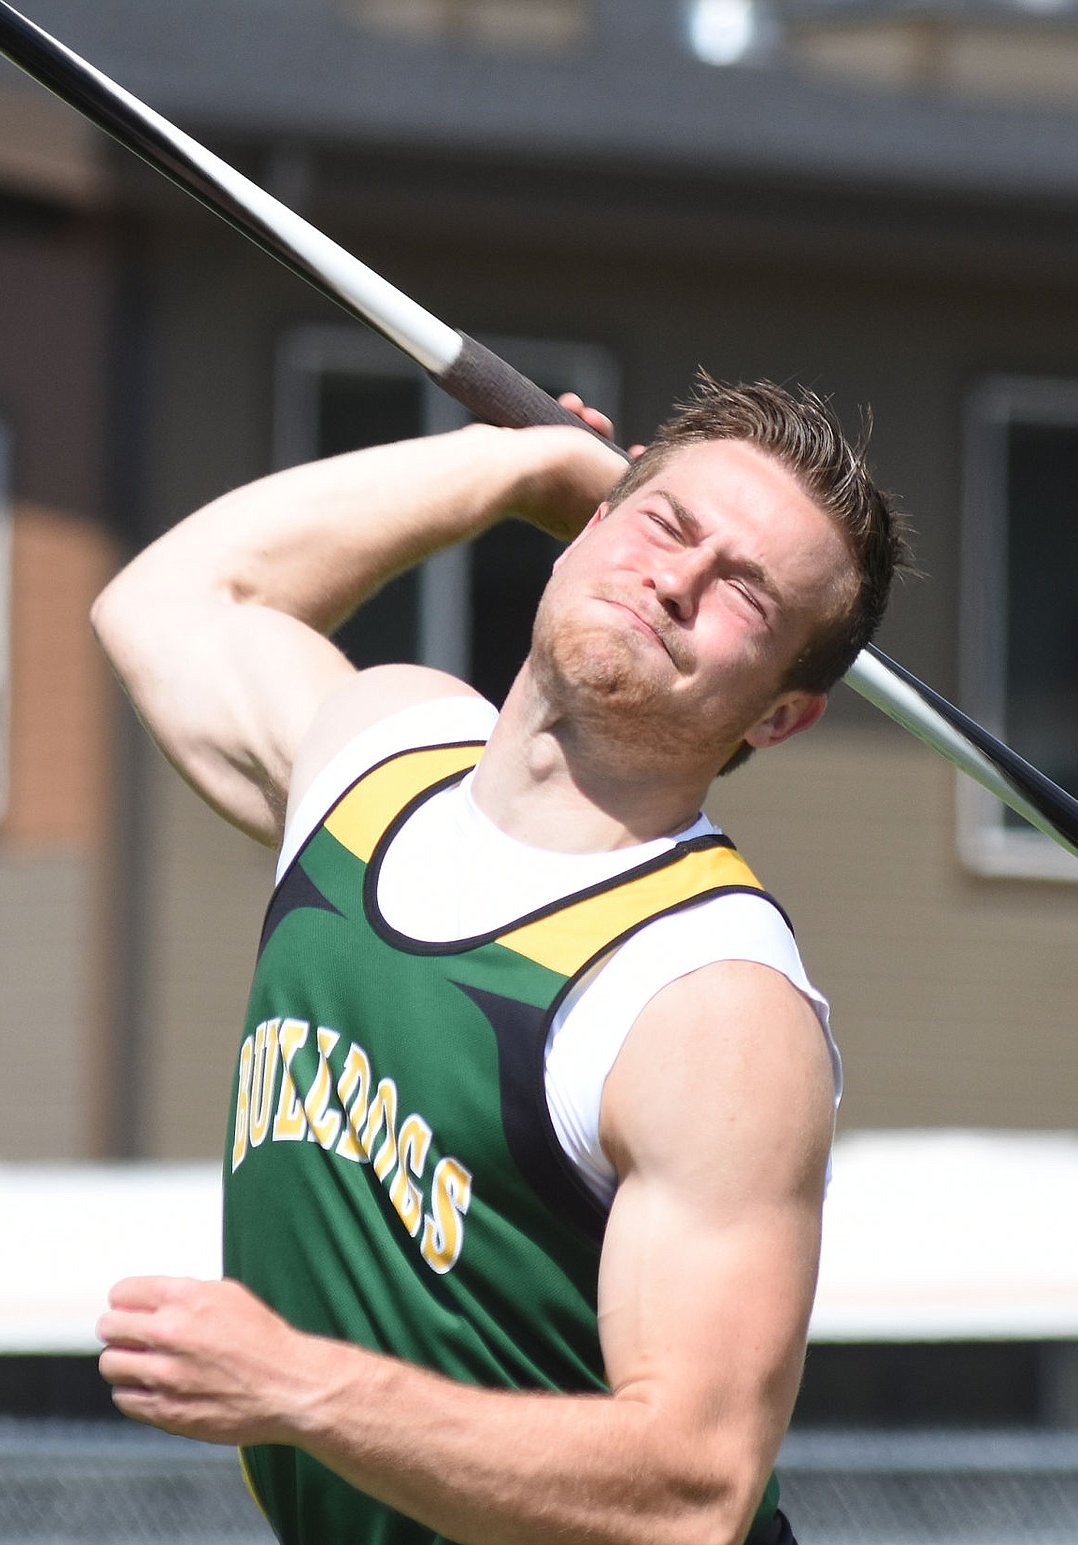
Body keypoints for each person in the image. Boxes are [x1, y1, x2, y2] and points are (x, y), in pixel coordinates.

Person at [93, 373, 908, 1545]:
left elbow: (695, 1490)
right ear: (588, 531)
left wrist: (303, 1390)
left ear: (779, 716)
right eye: (665, 524)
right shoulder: (378, 754)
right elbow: (168, 601)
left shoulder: (706, 1000)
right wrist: (506, 468)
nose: (675, 581)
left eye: (745, 594)